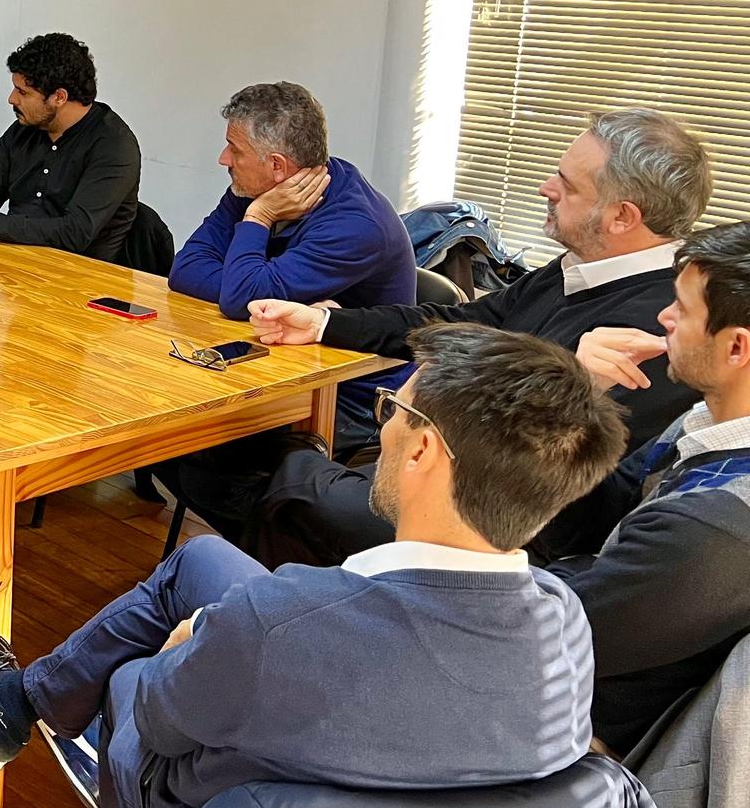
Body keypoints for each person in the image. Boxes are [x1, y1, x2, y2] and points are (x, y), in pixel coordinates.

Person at [0, 324, 626, 808]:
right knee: (201, 560)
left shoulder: (283, 616)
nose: (385, 425)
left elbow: (162, 722)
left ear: (423, 448)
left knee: (132, 677)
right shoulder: (564, 620)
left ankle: (54, 717)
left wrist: (187, 649)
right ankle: (27, 700)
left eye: (391, 408)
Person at [249, 108, 712, 564]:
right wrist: (324, 324)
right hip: (449, 466)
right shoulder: (581, 267)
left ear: (622, 217)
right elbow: (460, 322)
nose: (545, 188)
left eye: (567, 185)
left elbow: (567, 496)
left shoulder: (660, 328)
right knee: (274, 471)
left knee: (287, 482)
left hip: (492, 527)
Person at [148, 83, 416, 535]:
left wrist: (257, 221)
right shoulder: (253, 187)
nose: (223, 159)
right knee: (163, 435)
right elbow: (186, 267)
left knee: (199, 458)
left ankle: (280, 557)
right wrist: (256, 287)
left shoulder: (354, 224)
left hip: (346, 395)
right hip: (270, 361)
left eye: (233, 148)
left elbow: (239, 297)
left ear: (277, 166)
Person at [542, 222, 750, 755]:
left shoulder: (717, 528)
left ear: (736, 348)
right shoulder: (704, 422)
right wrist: (579, 399)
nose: (664, 317)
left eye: (681, 307)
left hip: (583, 749)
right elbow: (581, 523)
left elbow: (547, 639)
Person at [0, 33, 141, 262]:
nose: (12, 99)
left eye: (23, 92)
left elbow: (76, 232)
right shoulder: (24, 129)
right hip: (14, 265)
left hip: (79, 279)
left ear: (58, 97)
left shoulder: (114, 145)